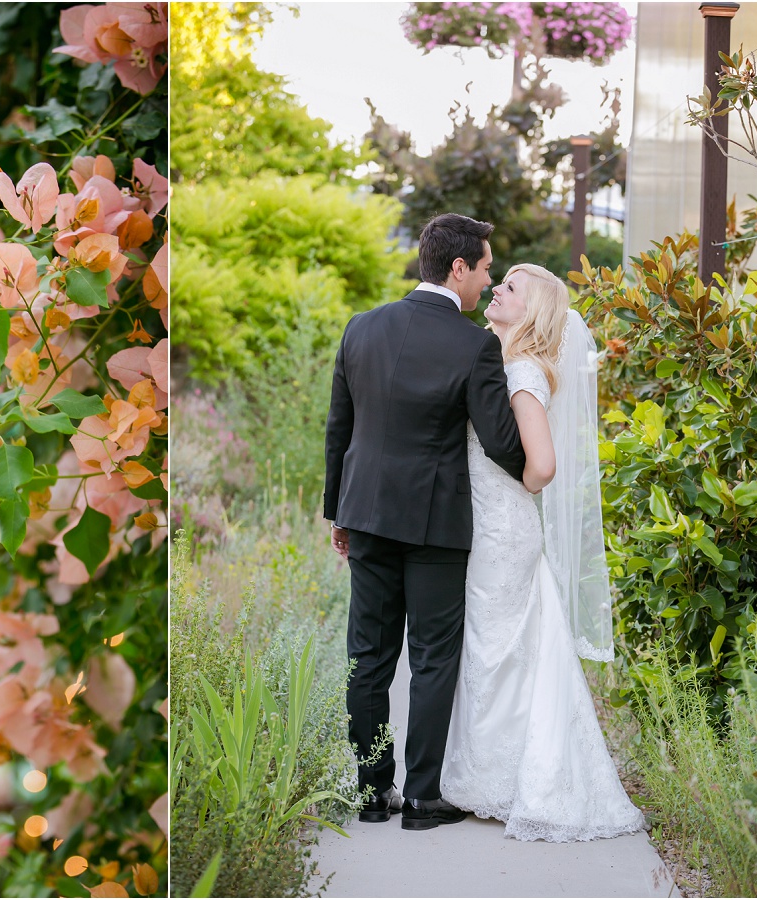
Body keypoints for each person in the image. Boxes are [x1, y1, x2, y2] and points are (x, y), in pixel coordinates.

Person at [324, 213, 527, 831]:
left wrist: (338, 511)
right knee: (433, 659)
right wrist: (540, 466)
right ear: (459, 268)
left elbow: (340, 431)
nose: (487, 279)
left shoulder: (361, 329)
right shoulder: (474, 345)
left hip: (367, 515)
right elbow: (501, 443)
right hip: (436, 526)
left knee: (369, 656)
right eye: (487, 267)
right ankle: (421, 799)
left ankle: (369, 792)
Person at [439, 263, 646, 842]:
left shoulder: (524, 370)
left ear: (532, 312)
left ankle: (502, 781)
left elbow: (544, 465)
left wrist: (513, 488)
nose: (497, 290)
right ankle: (491, 775)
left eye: (510, 287)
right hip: (491, 521)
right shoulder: (500, 361)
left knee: (495, 648)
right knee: (499, 647)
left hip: (502, 524)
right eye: (498, 280)